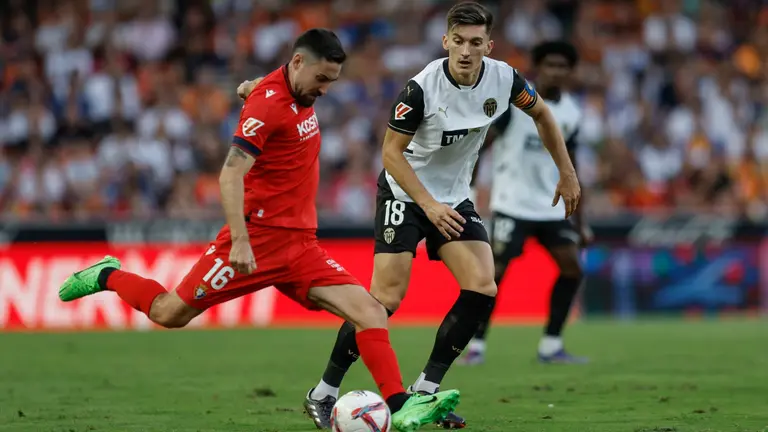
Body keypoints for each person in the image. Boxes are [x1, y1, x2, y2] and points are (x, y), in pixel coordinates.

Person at [57, 28, 460, 432]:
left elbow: (269, 88)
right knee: (169, 312)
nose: (324, 90)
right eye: (321, 78)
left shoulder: (289, 90)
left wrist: (251, 87)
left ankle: (400, 405)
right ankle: (107, 275)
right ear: (299, 62)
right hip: (257, 240)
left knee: (370, 311)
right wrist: (240, 241)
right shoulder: (268, 106)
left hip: (300, 246)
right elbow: (230, 174)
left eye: (331, 81)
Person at [299, 3, 582, 430]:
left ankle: (425, 392)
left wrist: (567, 172)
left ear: (489, 45)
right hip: (404, 194)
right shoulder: (421, 89)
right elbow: (390, 154)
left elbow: (542, 113)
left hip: (453, 198)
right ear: (445, 40)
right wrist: (428, 204)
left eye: (475, 42)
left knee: (482, 287)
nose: (466, 51)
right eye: (459, 41)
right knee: (384, 301)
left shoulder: (504, 79)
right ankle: (323, 392)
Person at [461, 41, 592, 366]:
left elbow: (572, 167)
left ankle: (551, 345)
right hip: (512, 203)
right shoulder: (515, 104)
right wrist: (470, 194)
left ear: (570, 72)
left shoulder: (572, 113)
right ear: (539, 68)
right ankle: (476, 346)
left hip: (551, 205)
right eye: (550, 65)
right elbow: (480, 146)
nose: (556, 72)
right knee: (495, 274)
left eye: (562, 66)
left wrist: (580, 221)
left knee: (572, 268)